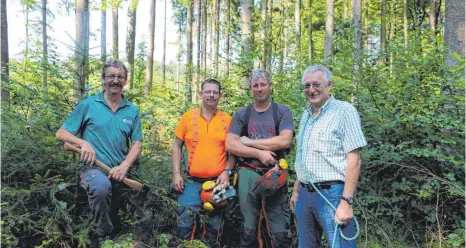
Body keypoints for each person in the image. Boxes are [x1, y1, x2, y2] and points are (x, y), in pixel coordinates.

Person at [56, 60, 143, 247]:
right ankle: (102, 236)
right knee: (101, 187)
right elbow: (61, 134)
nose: (115, 80)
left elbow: (137, 144)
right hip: (93, 168)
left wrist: (124, 166)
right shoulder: (89, 104)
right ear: (103, 79)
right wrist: (83, 142)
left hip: (120, 170)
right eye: (111, 76)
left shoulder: (132, 110)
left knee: (137, 201)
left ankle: (128, 233)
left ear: (125, 80)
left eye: (120, 76)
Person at [289, 65, 367, 248]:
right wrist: (296, 189)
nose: (311, 90)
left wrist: (346, 202)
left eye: (316, 84)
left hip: (333, 194)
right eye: (307, 86)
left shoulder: (344, 111)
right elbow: (304, 156)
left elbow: (355, 160)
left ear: (329, 84)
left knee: (341, 245)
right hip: (305, 195)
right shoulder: (306, 114)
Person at [226, 70, 294, 248]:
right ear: (251, 89)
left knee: (280, 231)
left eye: (263, 84)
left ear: (270, 86)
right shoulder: (242, 114)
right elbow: (231, 145)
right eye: (255, 85)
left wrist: (249, 142)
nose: (259, 89)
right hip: (248, 173)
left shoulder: (282, 111)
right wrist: (259, 153)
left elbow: (285, 140)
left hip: (275, 174)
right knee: (248, 229)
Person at [171, 79, 236, 247]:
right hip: (191, 182)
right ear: (201, 94)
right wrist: (176, 174)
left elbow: (234, 152)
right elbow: (177, 146)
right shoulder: (188, 117)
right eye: (208, 91)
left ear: (220, 95)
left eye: (215, 92)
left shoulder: (227, 120)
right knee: (183, 223)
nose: (211, 95)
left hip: (218, 183)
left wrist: (227, 172)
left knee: (215, 228)